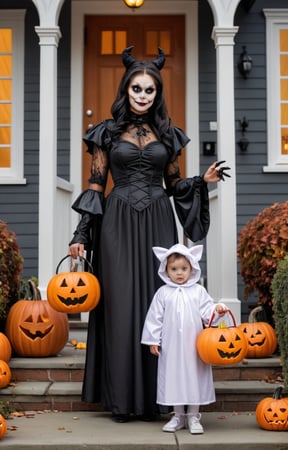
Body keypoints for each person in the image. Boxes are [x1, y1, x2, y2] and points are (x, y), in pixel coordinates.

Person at [69, 46, 230, 423]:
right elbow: (95, 184)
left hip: (159, 217)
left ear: (157, 93)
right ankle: (123, 400)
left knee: (162, 305)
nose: (142, 96)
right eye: (136, 89)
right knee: (122, 305)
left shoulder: (168, 135)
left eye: (149, 90)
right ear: (126, 90)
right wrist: (81, 233)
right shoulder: (105, 133)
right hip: (117, 221)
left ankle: (164, 400)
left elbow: (173, 185)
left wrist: (200, 182)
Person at [141, 243, 228, 434]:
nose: (179, 273)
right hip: (171, 346)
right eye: (174, 269)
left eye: (183, 269)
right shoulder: (163, 293)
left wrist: (217, 310)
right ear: (166, 270)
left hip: (195, 345)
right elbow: (155, 317)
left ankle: (193, 417)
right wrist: (153, 339)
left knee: (194, 376)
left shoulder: (198, 291)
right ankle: (178, 415)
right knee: (174, 377)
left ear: (192, 269)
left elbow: (207, 313)